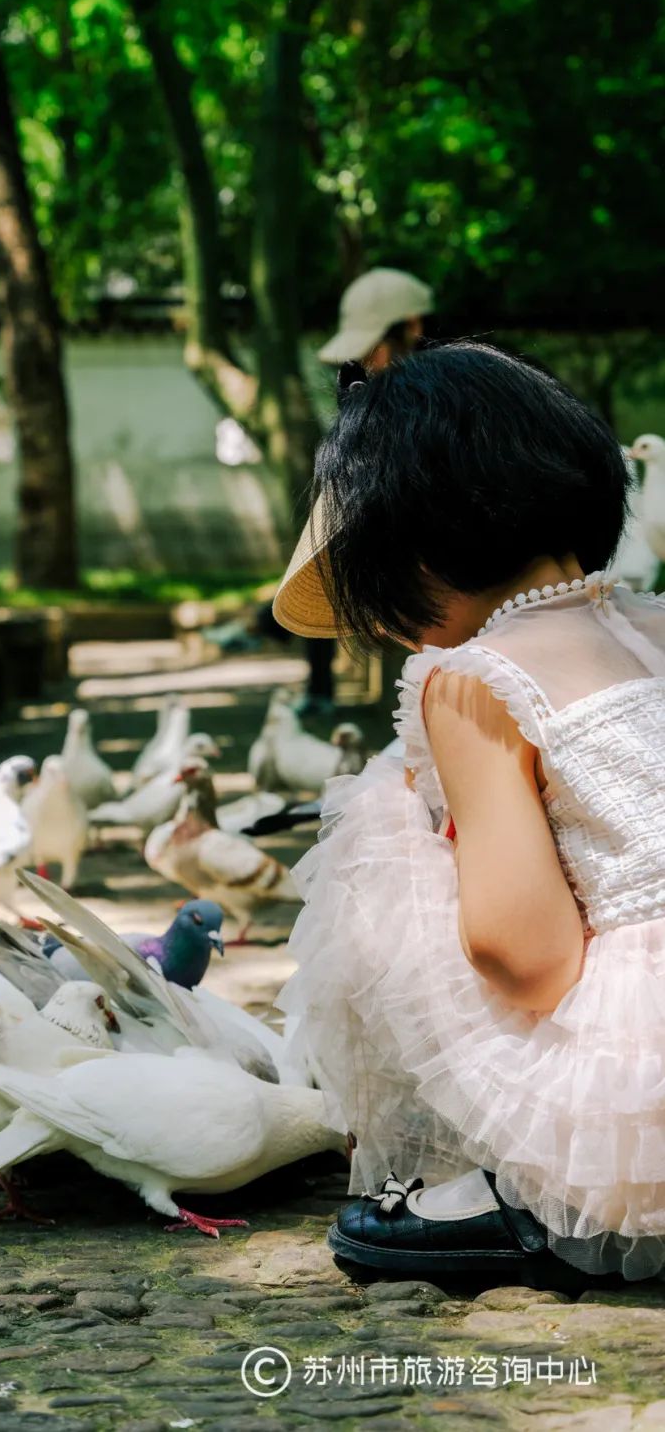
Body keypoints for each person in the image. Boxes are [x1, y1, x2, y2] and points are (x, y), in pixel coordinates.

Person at [273, 343, 665, 1282]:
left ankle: (549, 1193)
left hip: (640, 1088)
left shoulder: (469, 681)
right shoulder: (650, 621)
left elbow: (522, 958)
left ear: (410, 552)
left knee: (378, 816)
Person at [298, 267, 434, 714]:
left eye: (376, 346)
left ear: (413, 326)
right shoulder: (380, 404)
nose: (370, 362)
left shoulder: (447, 408)